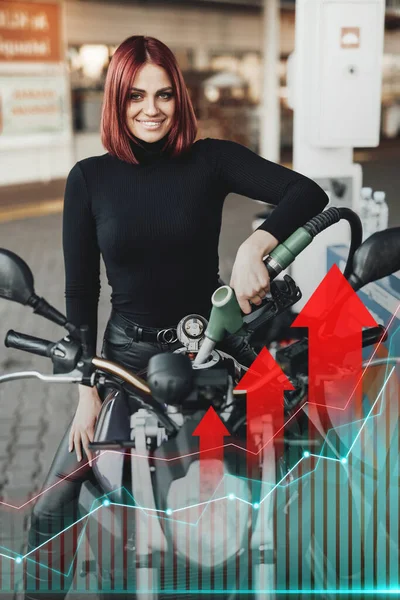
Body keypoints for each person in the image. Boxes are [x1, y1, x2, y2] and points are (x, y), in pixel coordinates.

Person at [23, 35, 329, 599]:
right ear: (116, 99)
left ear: (179, 98)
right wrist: (86, 389)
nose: (151, 108)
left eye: (164, 94)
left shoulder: (210, 160)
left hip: (210, 350)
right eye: (136, 95)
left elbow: (306, 192)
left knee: (285, 472)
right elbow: (80, 289)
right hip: (127, 363)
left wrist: (252, 247)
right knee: (50, 506)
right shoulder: (89, 178)